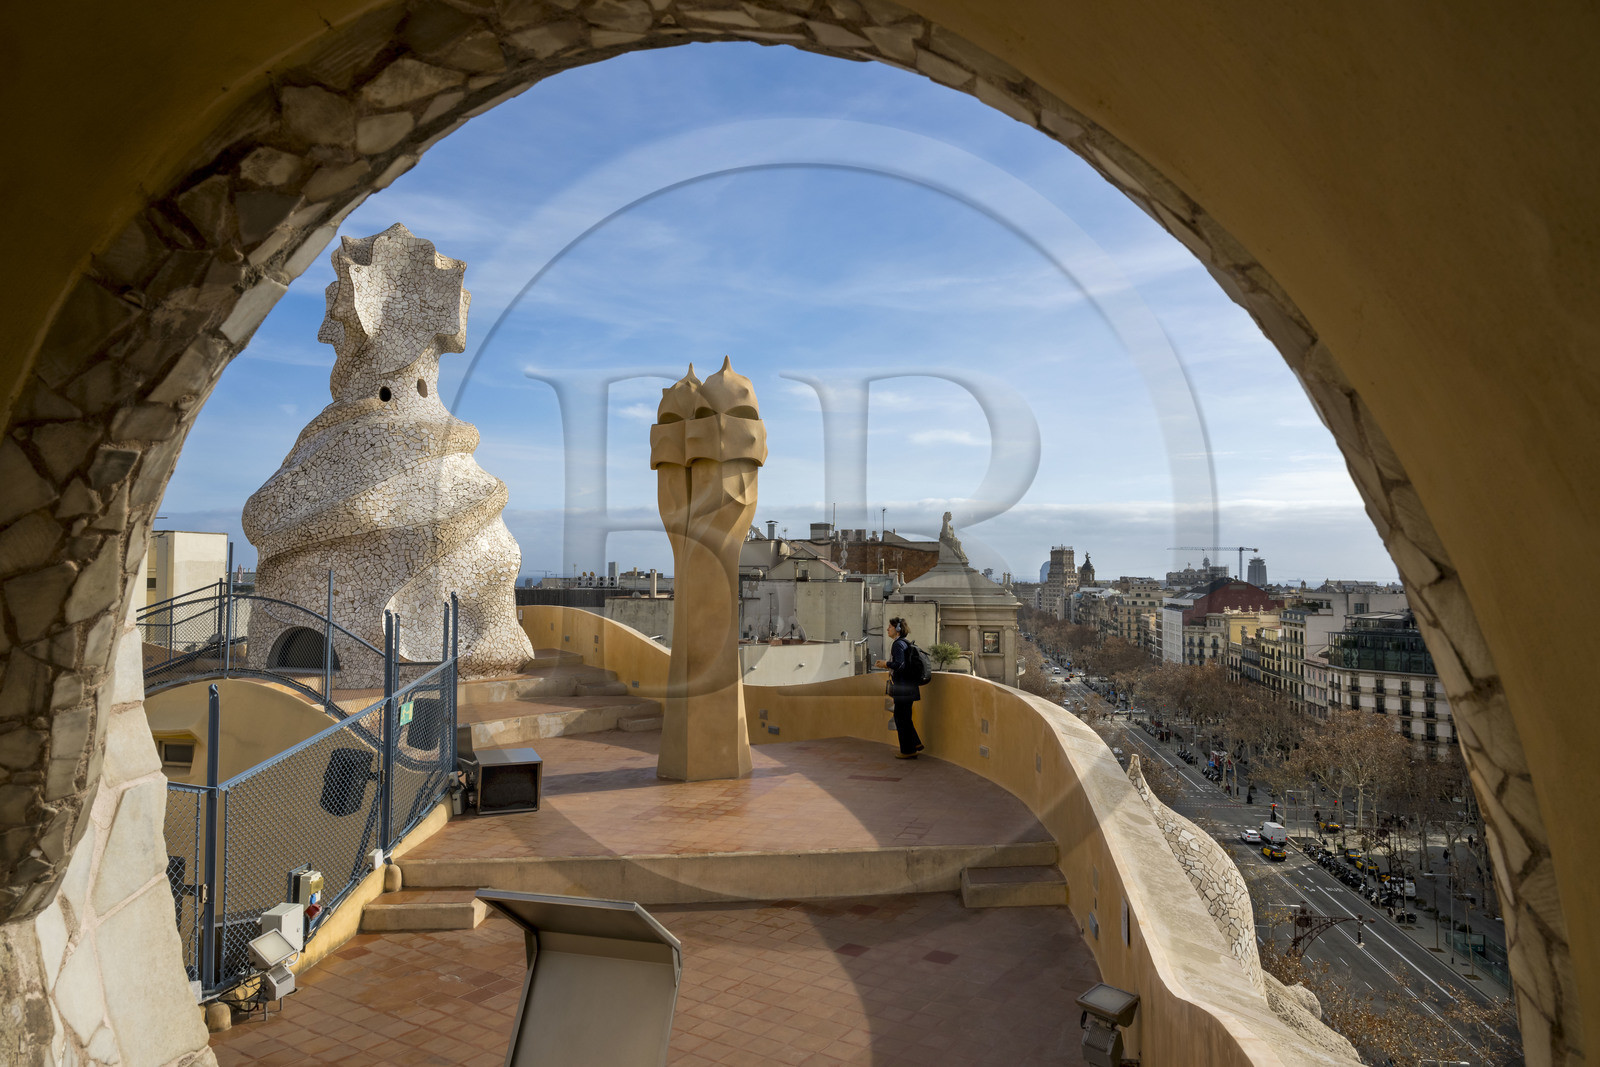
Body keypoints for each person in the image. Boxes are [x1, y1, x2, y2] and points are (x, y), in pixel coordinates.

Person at [874, 617, 925, 759]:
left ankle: (907, 751)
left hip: (903, 688)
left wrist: (886, 664)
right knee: (905, 717)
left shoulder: (897, 644)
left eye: (890, 627)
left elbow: (900, 665)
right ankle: (915, 743)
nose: (887, 629)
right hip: (909, 687)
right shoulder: (904, 643)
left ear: (897, 629)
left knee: (900, 718)